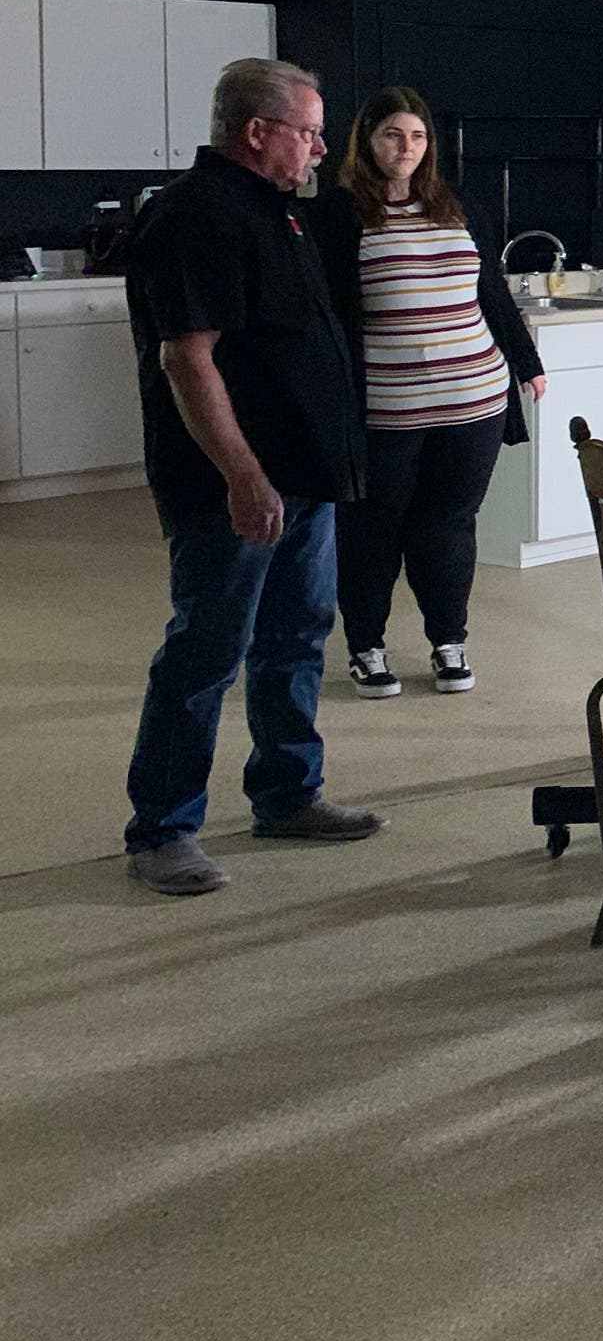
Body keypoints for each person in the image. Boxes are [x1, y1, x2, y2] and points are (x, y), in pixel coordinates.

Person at [121, 58, 382, 896]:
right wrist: (243, 476)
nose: (318, 148)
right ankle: (162, 829)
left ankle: (287, 792)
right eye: (306, 131)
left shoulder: (281, 215)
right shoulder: (194, 218)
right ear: (255, 131)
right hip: (233, 489)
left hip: (303, 480)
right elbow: (187, 362)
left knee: (296, 640)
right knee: (206, 652)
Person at [308, 86, 546, 698]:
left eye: (417, 136)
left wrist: (526, 362)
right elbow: (331, 315)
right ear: (367, 140)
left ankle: (449, 641)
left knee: (450, 525)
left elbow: (489, 292)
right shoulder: (338, 215)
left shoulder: (458, 204)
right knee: (373, 527)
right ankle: (367, 647)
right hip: (386, 409)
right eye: (392, 134)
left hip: (475, 399)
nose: (406, 148)